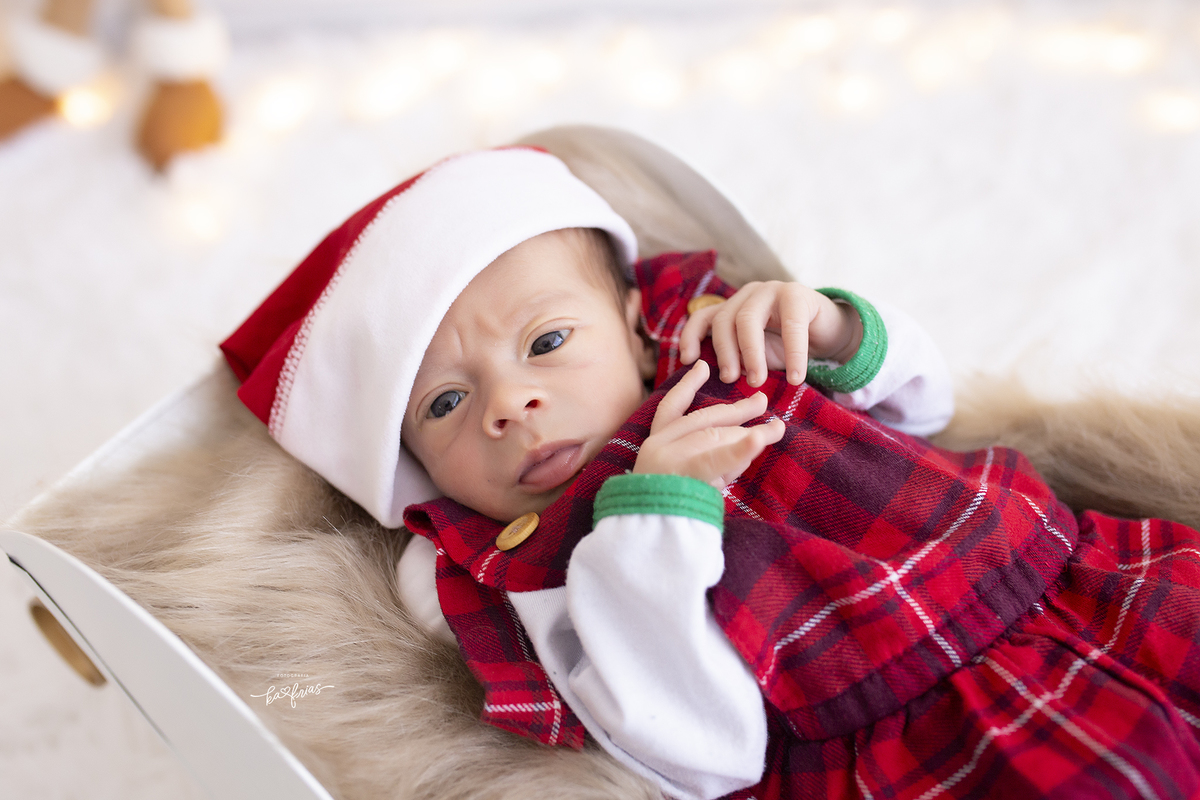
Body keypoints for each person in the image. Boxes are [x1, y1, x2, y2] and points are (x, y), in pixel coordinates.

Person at [222, 145, 1200, 800]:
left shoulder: (713, 344)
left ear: (632, 325)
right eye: (443, 404)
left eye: (549, 339)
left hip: (1080, 585)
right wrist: (659, 517)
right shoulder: (538, 568)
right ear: (414, 472)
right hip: (938, 732)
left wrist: (832, 331)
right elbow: (705, 749)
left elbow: (926, 413)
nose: (509, 403)